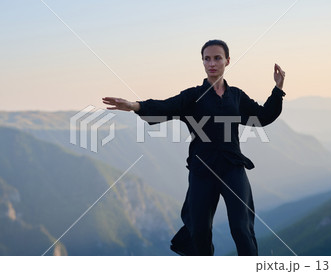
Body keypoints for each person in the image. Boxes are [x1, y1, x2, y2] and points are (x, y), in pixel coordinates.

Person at [103, 39, 285, 256]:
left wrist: (278, 89)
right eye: (207, 59)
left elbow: (262, 116)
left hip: (232, 167)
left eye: (217, 58)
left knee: (241, 227)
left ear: (227, 61)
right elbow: (165, 106)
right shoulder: (192, 96)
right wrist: (136, 106)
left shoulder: (236, 96)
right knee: (199, 231)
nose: (212, 63)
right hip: (202, 169)